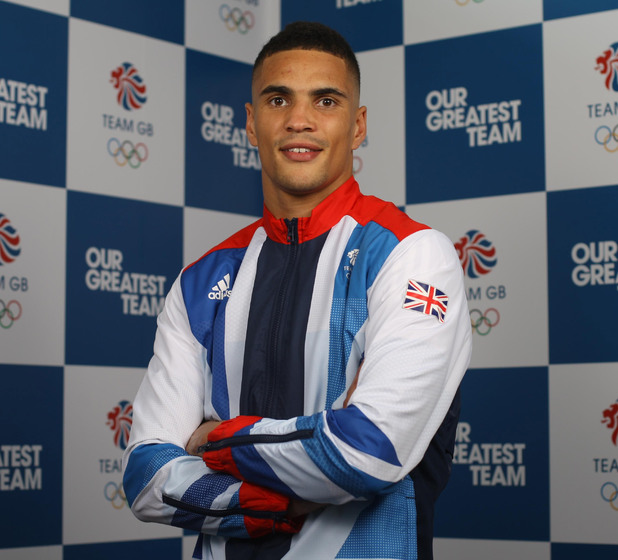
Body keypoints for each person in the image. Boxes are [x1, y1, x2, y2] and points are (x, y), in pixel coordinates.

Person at [123, 21, 472, 560]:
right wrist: (283, 501)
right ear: (250, 123)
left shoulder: (411, 255)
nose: (300, 120)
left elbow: (367, 452)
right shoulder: (201, 280)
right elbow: (146, 477)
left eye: (325, 100)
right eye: (278, 99)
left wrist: (209, 441)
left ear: (357, 127)